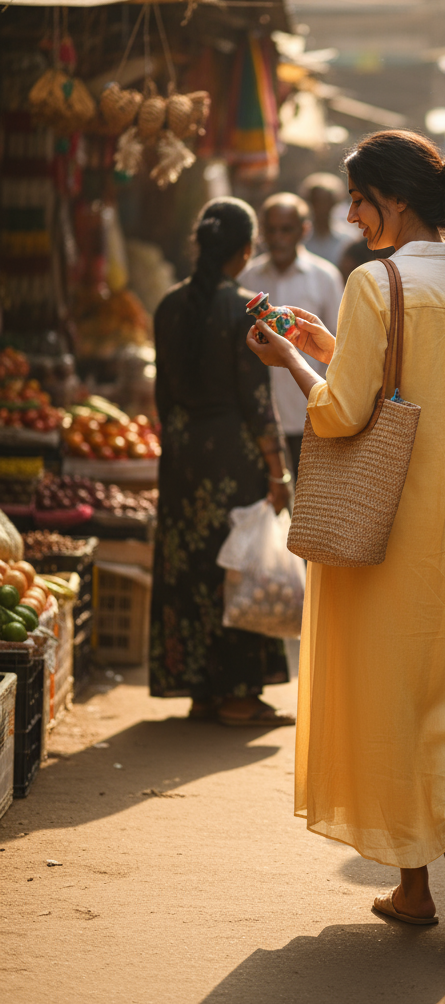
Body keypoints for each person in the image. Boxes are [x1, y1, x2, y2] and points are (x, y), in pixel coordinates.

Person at [246, 130, 445, 937]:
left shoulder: (374, 282)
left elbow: (344, 410)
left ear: (391, 199)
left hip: (388, 521)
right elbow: (410, 379)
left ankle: (414, 886)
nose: (351, 216)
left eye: (358, 199)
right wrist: (330, 347)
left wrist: (293, 359)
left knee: (394, 691)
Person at [149, 198, 293, 727]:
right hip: (231, 454)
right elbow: (258, 401)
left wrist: (180, 441)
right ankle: (237, 693)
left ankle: (202, 690)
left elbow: (163, 395)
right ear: (246, 248)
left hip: (183, 451)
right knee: (237, 565)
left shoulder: (169, 305)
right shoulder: (245, 309)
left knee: (190, 565)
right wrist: (277, 473)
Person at [240, 192, 343, 478]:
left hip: (310, 414)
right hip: (261, 419)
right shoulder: (247, 278)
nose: (278, 238)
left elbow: (340, 345)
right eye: (271, 230)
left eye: (286, 229)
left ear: (303, 230)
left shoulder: (325, 278)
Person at [299, 171, 356, 266]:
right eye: (316, 201)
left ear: (334, 203)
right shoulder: (301, 238)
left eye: (326, 202)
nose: (321, 207)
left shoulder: (347, 240)